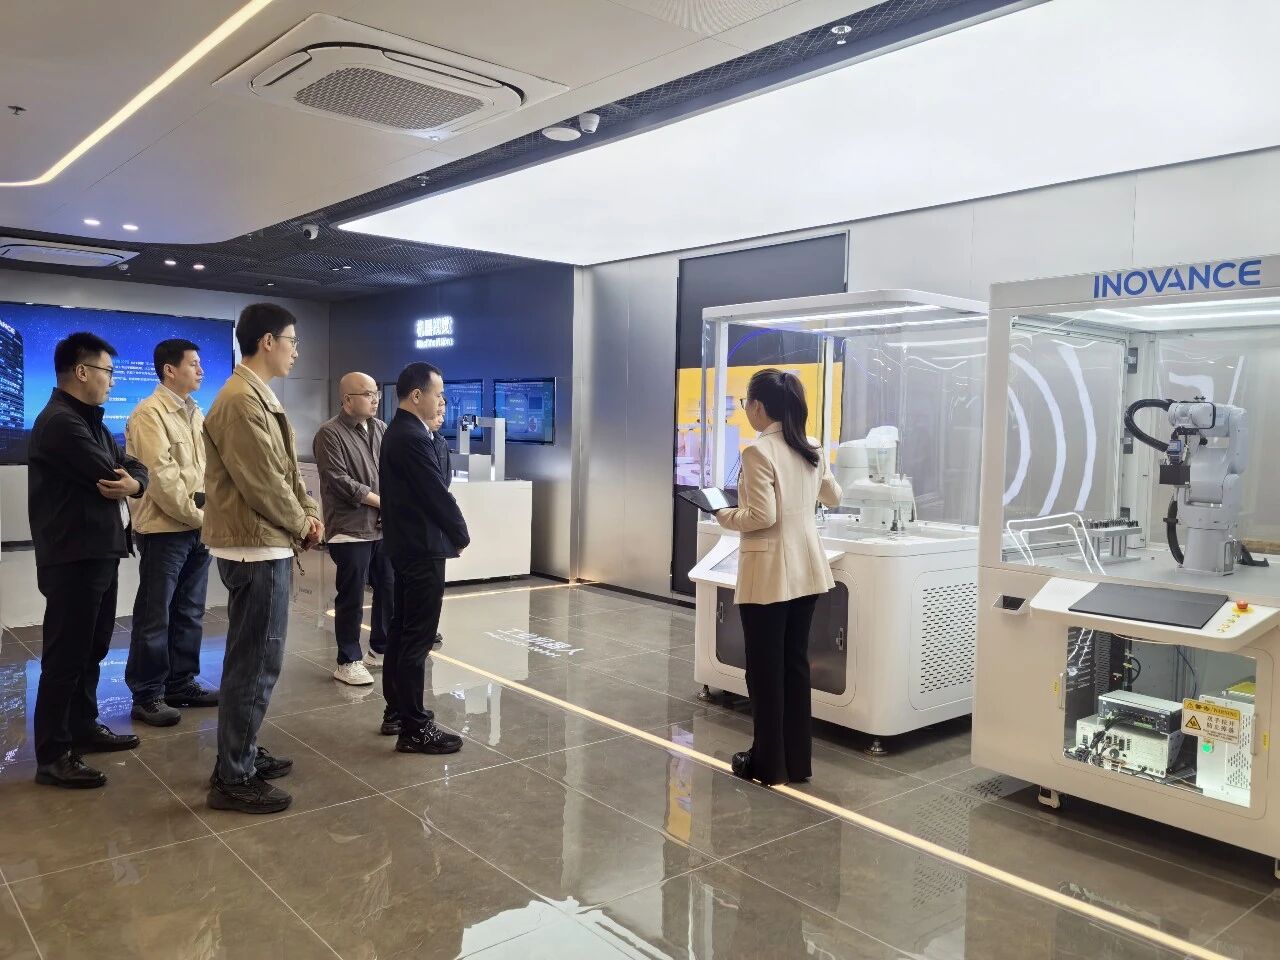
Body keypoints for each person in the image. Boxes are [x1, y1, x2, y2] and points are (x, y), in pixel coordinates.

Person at [202, 303, 322, 814]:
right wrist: (303, 522)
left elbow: (287, 473)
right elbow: (264, 483)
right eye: (292, 341)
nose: (296, 351)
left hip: (264, 540)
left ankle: (239, 754)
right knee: (255, 664)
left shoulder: (255, 394)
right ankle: (234, 776)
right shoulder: (239, 401)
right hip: (255, 546)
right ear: (267, 341)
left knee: (251, 659)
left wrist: (308, 511)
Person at [28, 332, 149, 789]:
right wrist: (130, 479)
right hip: (73, 556)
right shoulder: (61, 423)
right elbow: (106, 471)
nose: (111, 381)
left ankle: (81, 725)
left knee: (92, 647)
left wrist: (135, 484)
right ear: (81, 372)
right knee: (66, 654)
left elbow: (132, 467)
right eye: (107, 372)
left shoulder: (90, 420)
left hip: (99, 551)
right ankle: (53, 754)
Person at [714, 368, 841, 786]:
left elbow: (760, 517)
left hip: (769, 574)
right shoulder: (812, 446)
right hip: (808, 570)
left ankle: (768, 764)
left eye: (745, 403)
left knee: (764, 672)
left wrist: (722, 513)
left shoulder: (758, 452)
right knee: (794, 666)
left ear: (758, 406)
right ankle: (797, 763)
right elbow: (834, 496)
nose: (745, 410)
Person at [124, 339, 218, 727]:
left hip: (197, 526)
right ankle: (147, 694)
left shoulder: (194, 412)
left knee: (190, 610)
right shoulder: (149, 414)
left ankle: (181, 682)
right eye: (193, 364)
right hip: (165, 529)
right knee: (155, 614)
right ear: (169, 369)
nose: (201, 370)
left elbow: (205, 470)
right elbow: (161, 479)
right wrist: (201, 518)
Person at [378, 362, 467, 754]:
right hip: (421, 549)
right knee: (416, 637)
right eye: (438, 393)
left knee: (402, 631)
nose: (441, 400)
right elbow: (435, 494)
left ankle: (399, 711)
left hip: (406, 546)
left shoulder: (400, 431)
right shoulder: (412, 437)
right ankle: (415, 727)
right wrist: (461, 534)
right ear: (417, 395)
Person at [313, 372, 392, 686]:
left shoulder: (381, 428)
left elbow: (391, 471)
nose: (375, 399)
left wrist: (390, 506)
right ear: (347, 399)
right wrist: (381, 502)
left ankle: (380, 649)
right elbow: (339, 481)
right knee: (352, 594)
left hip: (382, 526)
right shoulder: (329, 433)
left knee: (388, 585)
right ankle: (348, 660)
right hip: (350, 528)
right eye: (368, 394)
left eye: (376, 394)